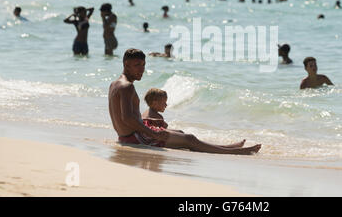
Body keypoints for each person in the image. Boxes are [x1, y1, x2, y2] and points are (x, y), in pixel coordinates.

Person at [108, 49, 261, 154]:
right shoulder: (127, 87)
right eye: (137, 66)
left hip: (130, 135)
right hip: (136, 138)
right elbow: (127, 118)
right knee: (189, 139)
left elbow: (125, 116)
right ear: (126, 65)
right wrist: (153, 134)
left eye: (143, 65)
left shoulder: (115, 84)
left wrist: (147, 121)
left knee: (180, 133)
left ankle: (226, 147)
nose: (141, 70)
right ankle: (237, 152)